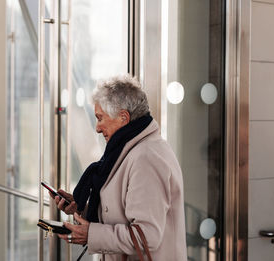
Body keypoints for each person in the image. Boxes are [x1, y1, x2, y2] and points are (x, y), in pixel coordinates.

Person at [51, 75, 187, 260]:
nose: (97, 128)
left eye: (100, 118)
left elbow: (147, 236)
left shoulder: (147, 157)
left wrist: (91, 234)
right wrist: (80, 209)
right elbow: (119, 214)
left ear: (123, 117)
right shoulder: (129, 151)